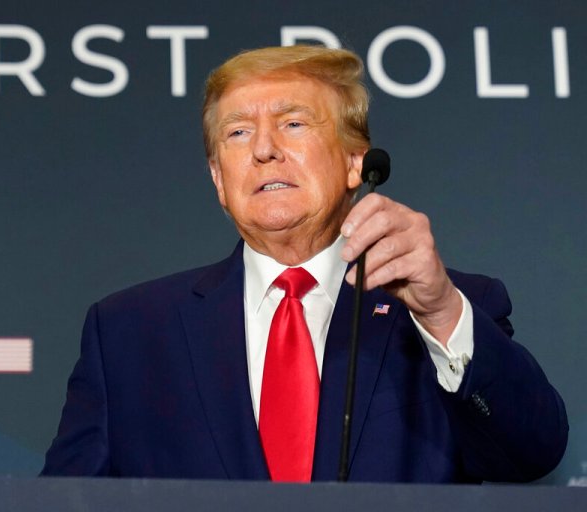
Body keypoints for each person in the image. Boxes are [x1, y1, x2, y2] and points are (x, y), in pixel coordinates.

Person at [41, 46, 568, 483]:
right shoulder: (130, 332)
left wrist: (440, 311)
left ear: (354, 162)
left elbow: (532, 452)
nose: (264, 149)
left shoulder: (446, 308)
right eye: (238, 132)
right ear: (218, 180)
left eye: (293, 123)